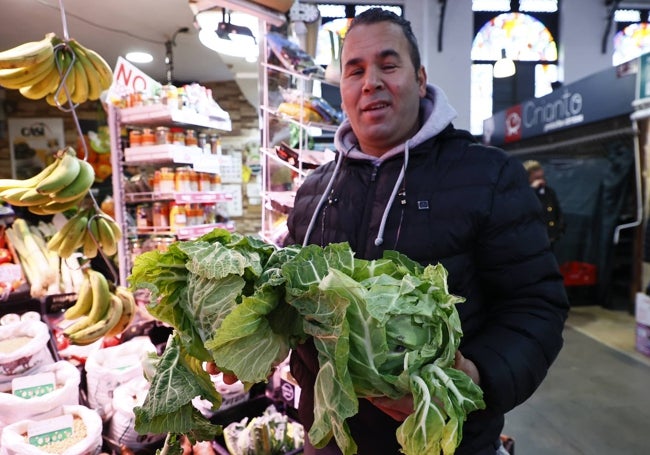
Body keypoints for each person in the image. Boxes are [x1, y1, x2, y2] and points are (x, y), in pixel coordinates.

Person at [281, 8, 570, 455]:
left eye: (388, 64)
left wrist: (477, 377)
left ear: (419, 79)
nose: (371, 81)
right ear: (342, 90)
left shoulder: (488, 176)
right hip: (331, 443)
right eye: (355, 70)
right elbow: (289, 307)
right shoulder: (314, 192)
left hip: (445, 441)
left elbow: (536, 306)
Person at [523, 160, 565, 248]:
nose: (540, 180)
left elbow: (557, 213)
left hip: (549, 238)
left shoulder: (549, 192)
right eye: (536, 178)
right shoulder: (522, 193)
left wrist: (557, 232)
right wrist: (532, 190)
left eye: (541, 177)